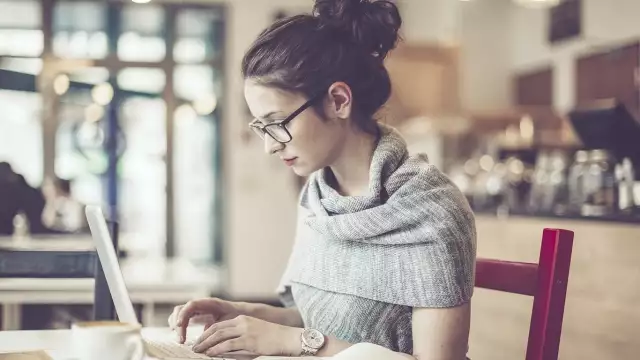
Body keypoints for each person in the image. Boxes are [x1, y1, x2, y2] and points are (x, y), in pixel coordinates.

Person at [168, 0, 477, 359]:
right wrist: (244, 314)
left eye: (278, 124)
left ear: (338, 100)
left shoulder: (434, 212)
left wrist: (291, 342)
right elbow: (327, 322)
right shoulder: (318, 197)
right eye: (261, 127)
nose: (269, 146)